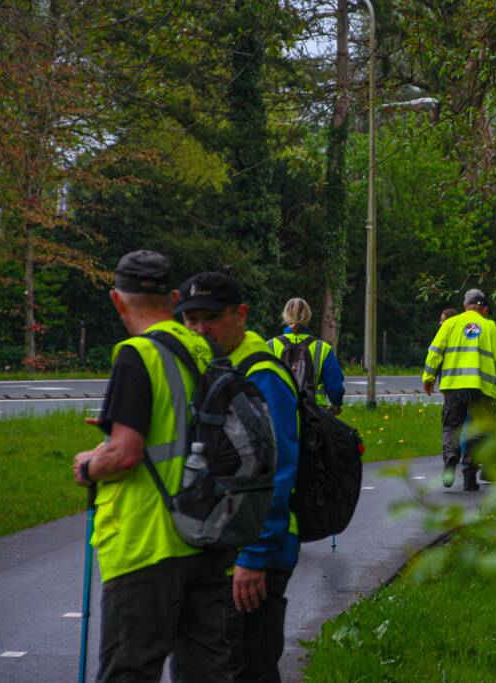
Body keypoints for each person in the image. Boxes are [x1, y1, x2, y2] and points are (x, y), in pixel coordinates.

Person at [71, 250, 231, 683]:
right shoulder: (206, 349)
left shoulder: (136, 355)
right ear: (175, 298)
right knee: (206, 670)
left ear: (116, 301)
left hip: (147, 541)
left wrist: (88, 464)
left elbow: (124, 454)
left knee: (131, 669)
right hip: (207, 532)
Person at [175, 272, 300, 683]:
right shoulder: (215, 363)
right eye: (189, 319)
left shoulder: (259, 372)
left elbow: (276, 471)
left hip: (253, 550)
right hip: (223, 541)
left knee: (246, 667)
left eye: (209, 318)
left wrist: (254, 556)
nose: (198, 329)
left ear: (240, 314)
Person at [422, 288, 496, 491]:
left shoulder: (451, 324)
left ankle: (451, 456)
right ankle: (470, 479)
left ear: (465, 305)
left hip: (453, 387)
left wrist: (428, 378)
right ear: (485, 309)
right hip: (481, 389)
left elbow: (434, 351)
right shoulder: (490, 326)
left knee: (451, 427)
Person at [267, 297, 345, 414]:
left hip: (281, 411)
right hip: (314, 412)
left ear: (285, 316)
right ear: (308, 317)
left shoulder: (270, 346)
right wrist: (336, 403)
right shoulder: (322, 348)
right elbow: (335, 387)